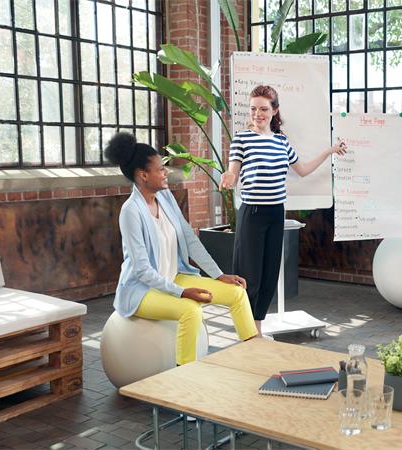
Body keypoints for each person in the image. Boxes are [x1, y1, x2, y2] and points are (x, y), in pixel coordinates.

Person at [105, 132, 258, 366]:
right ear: (143, 175)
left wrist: (218, 275)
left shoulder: (165, 197)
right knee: (191, 310)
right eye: (160, 169)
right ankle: (184, 374)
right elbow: (142, 270)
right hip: (142, 290)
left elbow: (189, 239)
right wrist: (182, 292)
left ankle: (254, 357)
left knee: (237, 293)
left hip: (174, 277)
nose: (166, 172)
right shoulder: (131, 211)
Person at [220, 85, 346, 335]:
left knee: (269, 276)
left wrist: (330, 151)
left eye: (263, 109)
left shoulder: (281, 141)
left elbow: (303, 170)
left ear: (274, 111)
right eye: (253, 109)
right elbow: (233, 171)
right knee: (249, 276)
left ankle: (256, 330)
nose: (257, 114)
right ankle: (246, 331)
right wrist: (229, 177)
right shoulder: (242, 138)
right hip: (252, 214)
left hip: (276, 213)